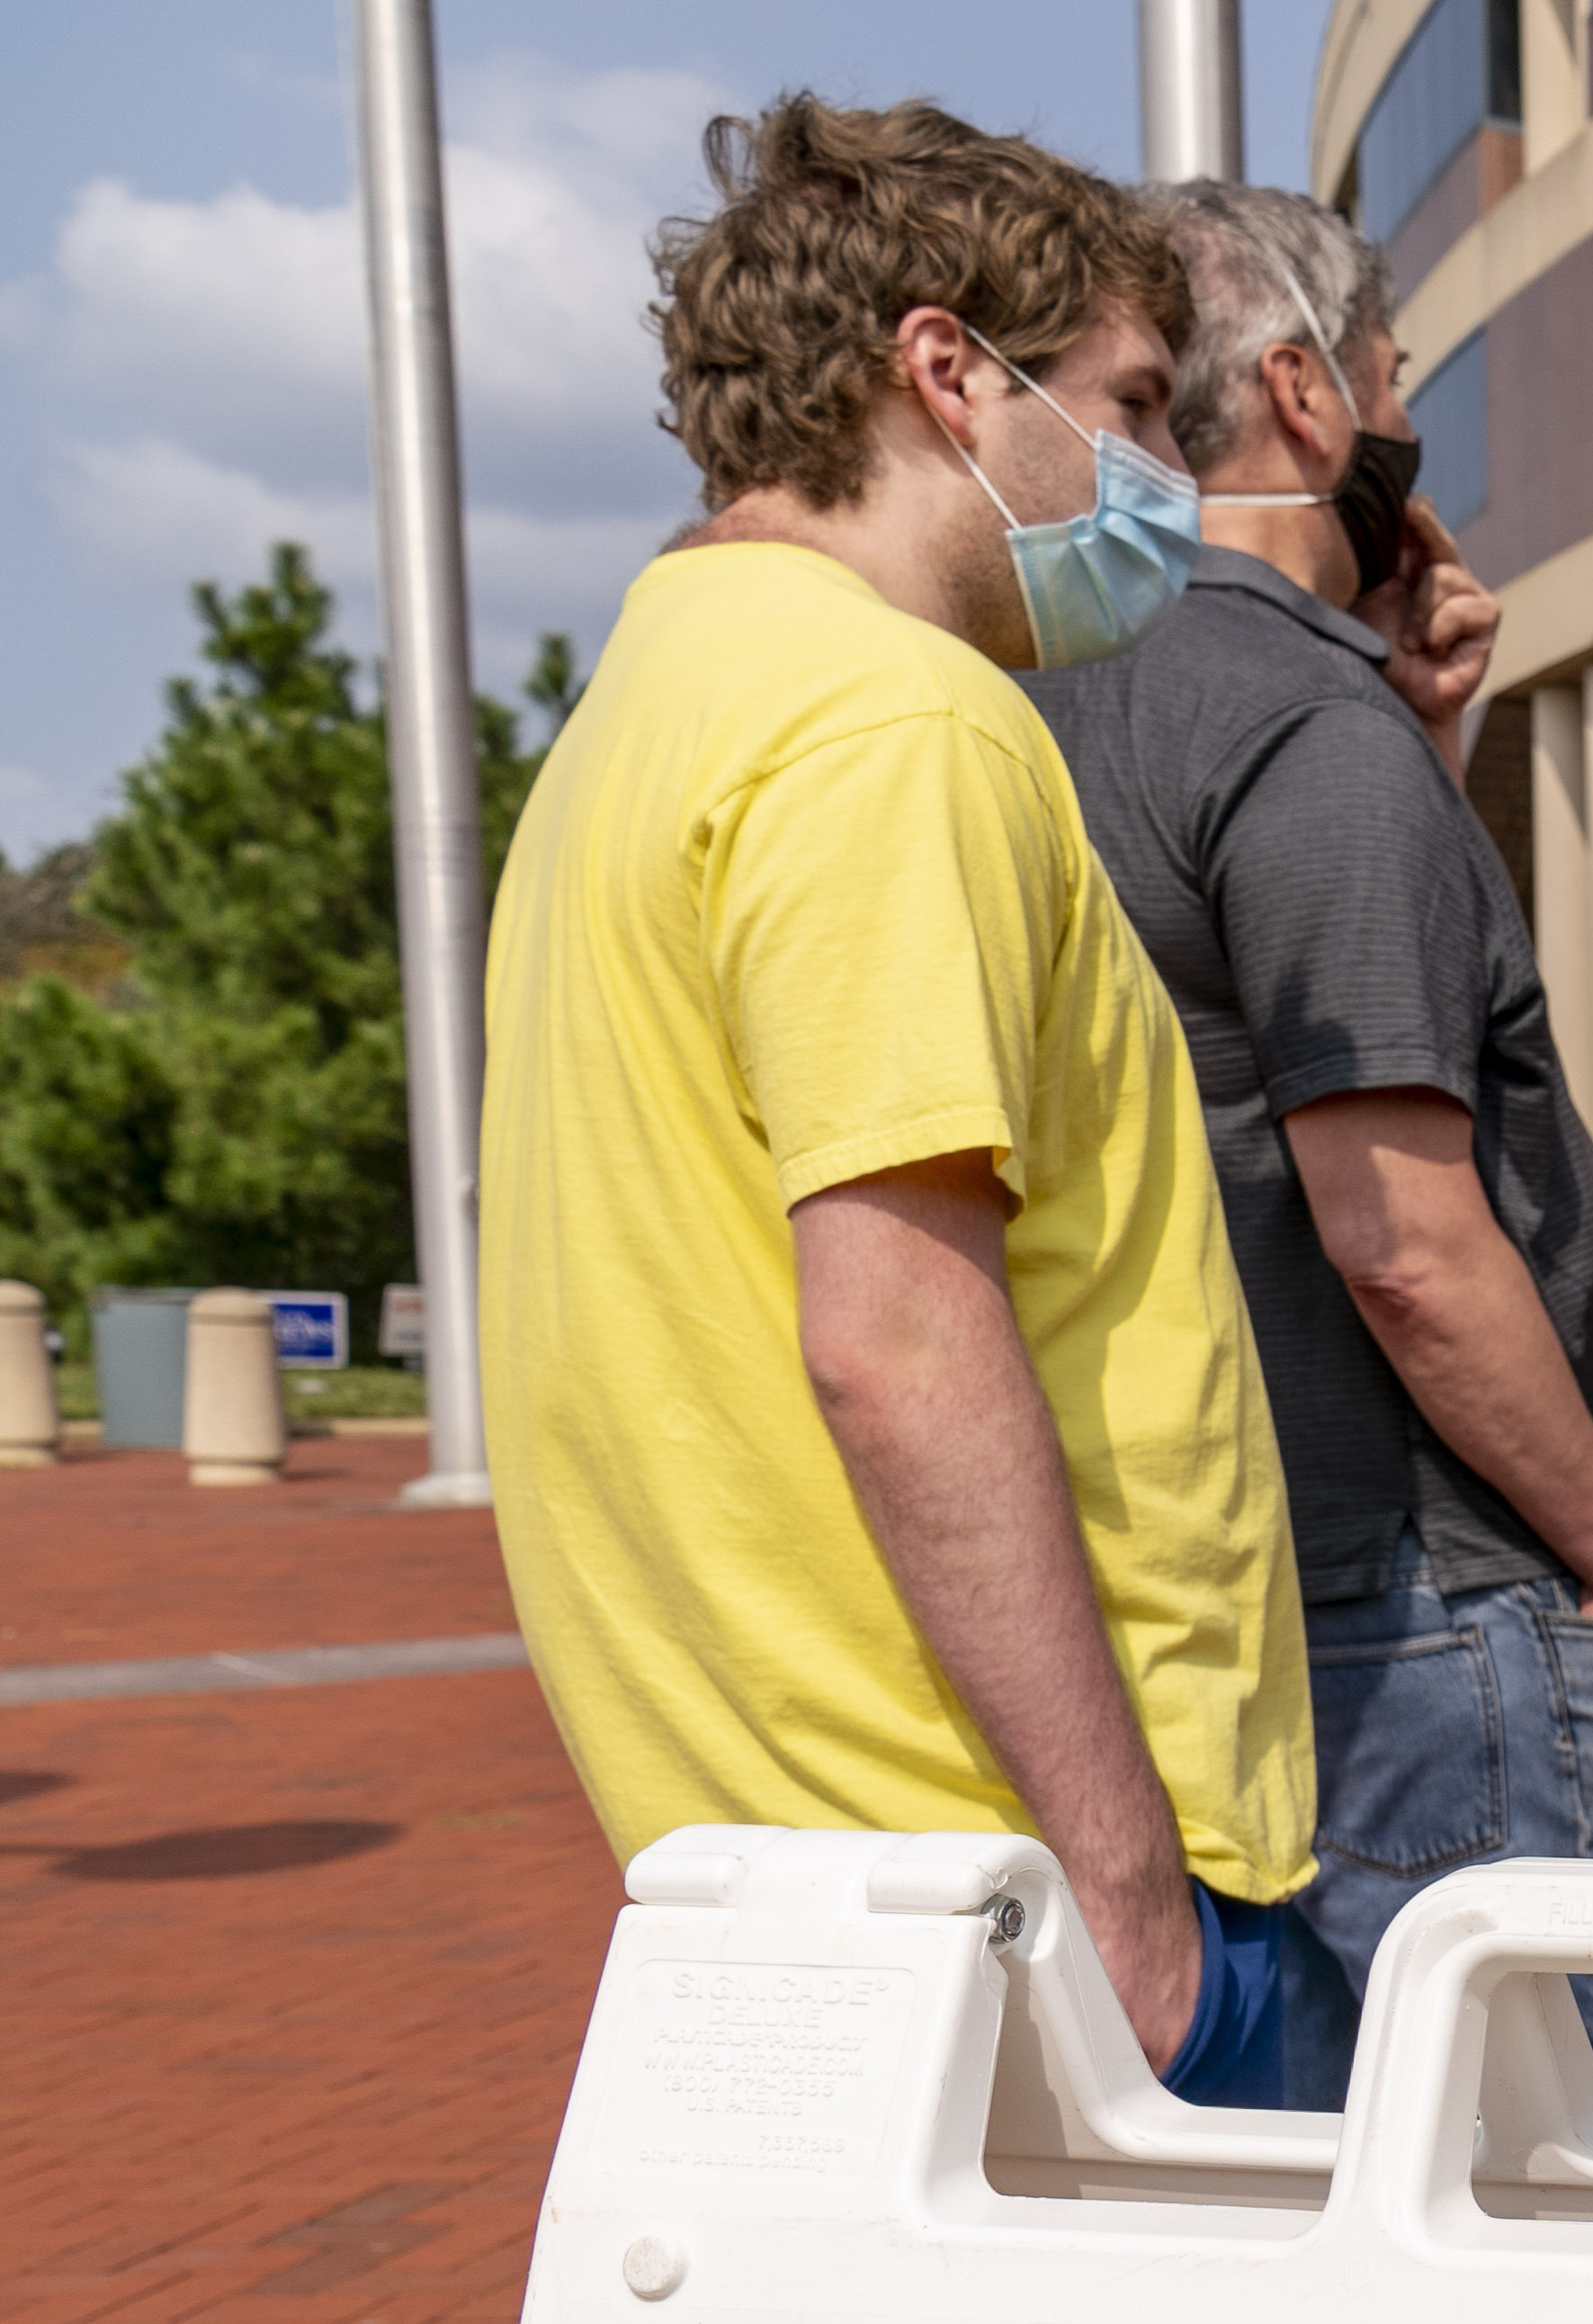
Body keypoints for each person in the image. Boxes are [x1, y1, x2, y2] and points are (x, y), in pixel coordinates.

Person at [484, 97, 1321, 2105]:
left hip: (785, 1873)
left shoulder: (650, 714)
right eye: (1130, 399)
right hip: (1024, 1893)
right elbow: (897, 1330)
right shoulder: (889, 720)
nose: (1167, 470)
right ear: (953, 373)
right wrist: (1125, 1900)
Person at [1019, 182, 1593, 2122]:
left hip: (1235, 1566)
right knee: (1542, 2159)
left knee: (1337, 2152)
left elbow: (1267, 1047)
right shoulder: (1298, 731)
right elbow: (1396, 1223)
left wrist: (1427, 734)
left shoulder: (1053, 704)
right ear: (1308, 396)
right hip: (1441, 1591)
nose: (1411, 424)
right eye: (1397, 377)